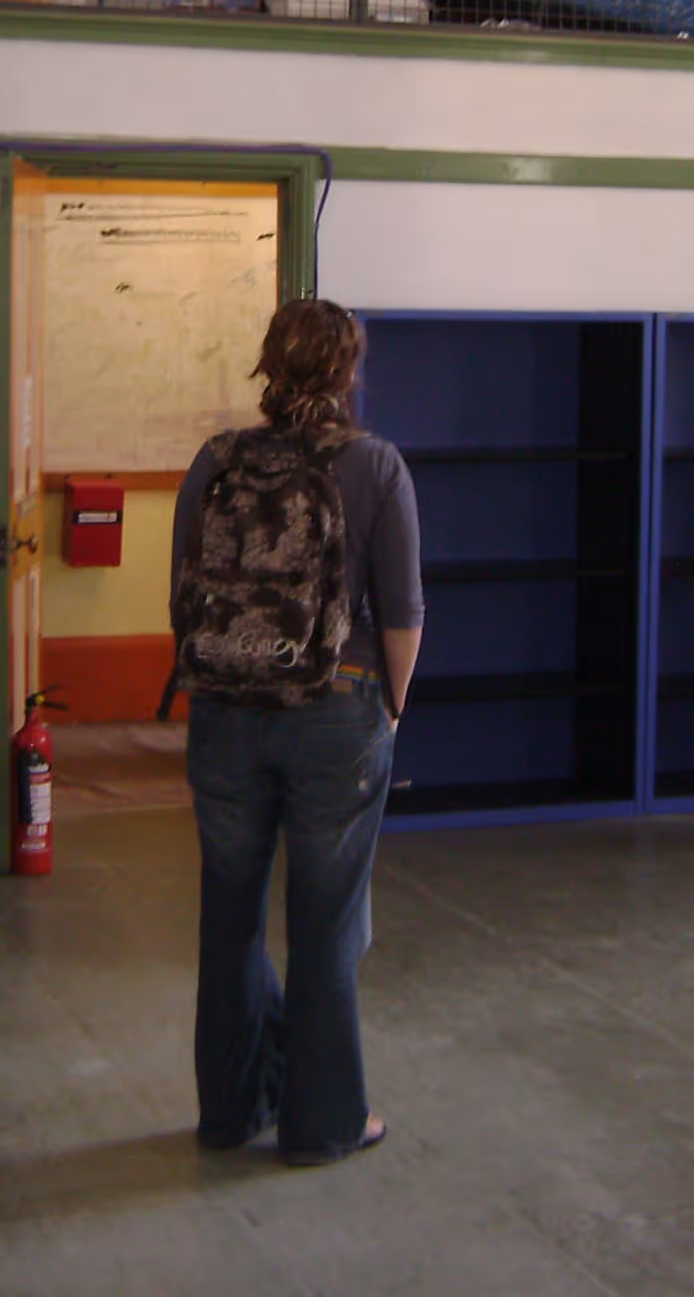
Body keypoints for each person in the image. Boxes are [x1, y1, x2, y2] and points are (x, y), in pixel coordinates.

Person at [175, 297, 423, 1166]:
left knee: (228, 917)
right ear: (348, 370)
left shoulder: (214, 463)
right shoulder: (377, 465)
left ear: (268, 367)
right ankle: (325, 1124)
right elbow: (403, 610)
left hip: (225, 713)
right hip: (338, 710)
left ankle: (232, 1111)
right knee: (324, 926)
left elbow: (183, 597)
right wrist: (389, 704)